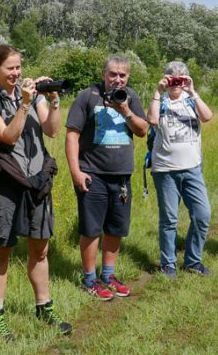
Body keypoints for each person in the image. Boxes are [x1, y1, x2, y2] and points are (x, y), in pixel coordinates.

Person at [0, 45, 72, 341]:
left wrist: (53, 100)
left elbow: (52, 130)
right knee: (2, 247)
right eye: (9, 68)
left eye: (19, 67)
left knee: (40, 248)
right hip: (6, 182)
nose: (16, 73)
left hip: (37, 182)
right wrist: (23, 105)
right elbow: (7, 136)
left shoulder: (31, 95)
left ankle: (43, 307)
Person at [65, 54, 148, 300]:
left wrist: (125, 110)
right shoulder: (88, 96)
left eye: (122, 75)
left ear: (128, 76)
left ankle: (108, 275)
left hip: (121, 176)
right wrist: (76, 171)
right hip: (92, 174)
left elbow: (142, 130)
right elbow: (71, 135)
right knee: (91, 230)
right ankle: (90, 279)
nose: (117, 79)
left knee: (116, 228)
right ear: (104, 74)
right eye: (113, 74)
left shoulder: (130, 97)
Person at [147, 61, 214, 279]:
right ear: (166, 79)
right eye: (172, 78)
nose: (176, 82)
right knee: (169, 220)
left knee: (202, 215)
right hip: (165, 170)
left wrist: (192, 91)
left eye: (181, 78)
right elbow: (152, 120)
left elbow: (207, 116)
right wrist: (158, 91)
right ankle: (168, 264)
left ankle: (193, 261)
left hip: (193, 168)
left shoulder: (191, 101)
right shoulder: (161, 101)